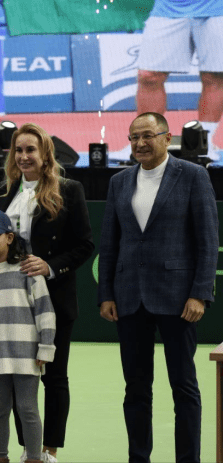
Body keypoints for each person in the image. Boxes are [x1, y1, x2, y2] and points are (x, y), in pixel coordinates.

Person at [98, 112, 218, 463]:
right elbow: (110, 243)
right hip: (129, 298)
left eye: (147, 136)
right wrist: (106, 293)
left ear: (168, 138)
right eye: (134, 137)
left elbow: (208, 242)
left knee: (184, 387)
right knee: (135, 389)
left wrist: (200, 293)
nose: (139, 143)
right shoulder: (119, 181)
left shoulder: (194, 176)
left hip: (179, 298)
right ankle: (139, 458)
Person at [0, 122, 94, 463]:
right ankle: (28, 449)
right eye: (18, 150)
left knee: (54, 377)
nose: (23, 156)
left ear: (45, 154)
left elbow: (84, 245)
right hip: (12, 303)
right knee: (19, 378)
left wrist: (49, 267)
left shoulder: (70, 190)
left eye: (30, 150)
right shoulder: (3, 195)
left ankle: (49, 450)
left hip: (54, 300)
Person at [0, 209, 55, 463]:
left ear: (9, 237)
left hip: (26, 357)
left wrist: (45, 348)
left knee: (28, 410)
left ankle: (33, 458)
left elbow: (45, 311)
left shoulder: (27, 271)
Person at [136, 0, 223, 157]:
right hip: (168, 8)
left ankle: (204, 143)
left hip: (217, 8)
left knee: (214, 76)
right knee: (148, 75)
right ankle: (146, 142)